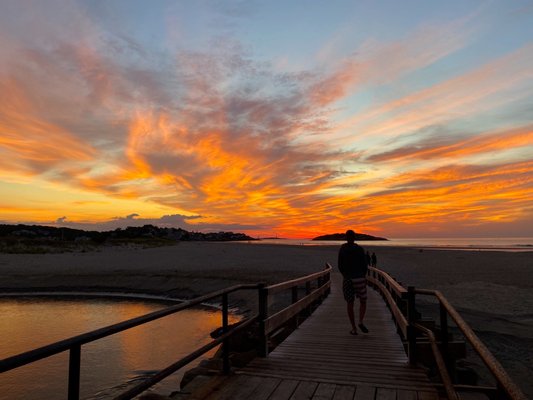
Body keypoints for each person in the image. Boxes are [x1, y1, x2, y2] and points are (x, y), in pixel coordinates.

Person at [338, 229, 369, 335]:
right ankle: (360, 321)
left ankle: (354, 328)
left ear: (346, 238)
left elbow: (340, 265)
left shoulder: (342, 248)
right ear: (354, 238)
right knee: (363, 301)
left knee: (350, 303)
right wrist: (363, 276)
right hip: (359, 278)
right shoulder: (360, 249)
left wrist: (345, 275)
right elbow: (364, 265)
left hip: (348, 278)